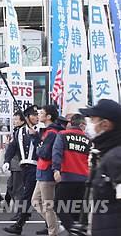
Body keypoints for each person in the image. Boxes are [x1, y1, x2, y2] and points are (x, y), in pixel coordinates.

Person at [79, 99, 121, 235]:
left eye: (92, 120)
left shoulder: (116, 157)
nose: (88, 125)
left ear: (105, 125)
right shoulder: (103, 153)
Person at [3, 105, 40, 235]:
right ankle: (48, 224)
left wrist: (36, 135)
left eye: (37, 115)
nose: (37, 117)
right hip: (24, 166)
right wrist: (6, 161)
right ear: (27, 117)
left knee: (27, 196)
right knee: (35, 198)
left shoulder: (40, 130)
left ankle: (19, 223)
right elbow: (12, 147)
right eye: (34, 115)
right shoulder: (19, 132)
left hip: (37, 167)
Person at [51, 113, 90, 233]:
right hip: (83, 178)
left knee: (59, 205)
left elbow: (57, 152)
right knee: (77, 210)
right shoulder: (88, 139)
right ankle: (76, 230)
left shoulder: (63, 135)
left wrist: (56, 169)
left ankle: (72, 227)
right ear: (82, 125)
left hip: (67, 177)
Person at [31, 105, 65, 236]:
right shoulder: (47, 132)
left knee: (47, 205)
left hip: (47, 171)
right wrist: (35, 138)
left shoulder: (52, 133)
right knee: (35, 201)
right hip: (42, 171)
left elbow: (44, 153)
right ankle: (55, 225)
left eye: (41, 113)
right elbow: (40, 149)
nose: (38, 115)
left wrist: (39, 146)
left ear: (48, 116)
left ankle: (53, 231)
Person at [2, 112, 25, 220]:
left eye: (16, 119)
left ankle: (21, 213)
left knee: (17, 189)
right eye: (13, 119)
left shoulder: (22, 132)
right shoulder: (16, 132)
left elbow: (15, 149)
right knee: (11, 186)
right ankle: (21, 211)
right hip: (14, 164)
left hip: (19, 165)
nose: (14, 121)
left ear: (22, 120)